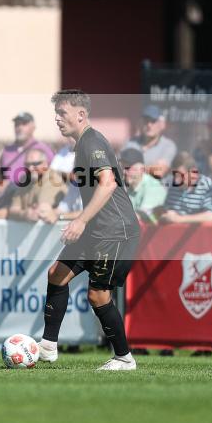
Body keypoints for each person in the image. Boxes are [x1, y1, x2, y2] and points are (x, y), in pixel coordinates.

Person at [39, 90, 140, 371]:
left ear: (81, 115)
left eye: (62, 113)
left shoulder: (92, 141)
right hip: (97, 229)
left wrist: (80, 220)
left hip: (115, 232)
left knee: (98, 295)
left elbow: (108, 183)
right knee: (56, 274)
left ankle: (124, 358)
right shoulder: (82, 144)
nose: (57, 119)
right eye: (56, 113)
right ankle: (47, 347)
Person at [8, 148, 67, 223]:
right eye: (27, 164)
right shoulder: (24, 179)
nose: (30, 168)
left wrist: (23, 213)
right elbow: (13, 209)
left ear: (45, 164)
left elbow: (41, 212)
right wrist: (24, 214)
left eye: (35, 164)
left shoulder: (52, 179)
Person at [159, 152, 212, 224]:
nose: (177, 179)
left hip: (201, 230)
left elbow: (211, 216)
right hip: (176, 229)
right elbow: (167, 210)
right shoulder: (173, 185)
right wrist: (166, 215)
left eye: (181, 175)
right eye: (175, 175)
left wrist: (180, 219)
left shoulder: (208, 185)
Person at [0, 112, 54, 186]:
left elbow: (53, 174)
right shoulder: (7, 150)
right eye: (17, 124)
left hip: (30, 190)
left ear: (33, 127)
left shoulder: (43, 149)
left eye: (24, 124)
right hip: (7, 192)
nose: (20, 128)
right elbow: (1, 175)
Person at [123, 105, 177, 177]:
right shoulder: (130, 143)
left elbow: (159, 171)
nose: (149, 125)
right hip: (129, 184)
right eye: (146, 121)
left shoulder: (168, 146)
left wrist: (133, 169)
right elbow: (119, 167)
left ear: (162, 125)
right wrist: (151, 167)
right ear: (141, 123)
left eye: (153, 121)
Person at [120, 147, 166, 221]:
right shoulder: (122, 184)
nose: (124, 171)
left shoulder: (154, 187)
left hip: (149, 227)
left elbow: (143, 216)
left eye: (128, 168)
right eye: (122, 167)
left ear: (141, 169)